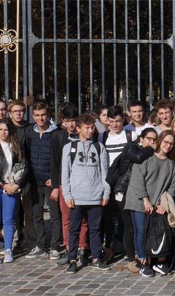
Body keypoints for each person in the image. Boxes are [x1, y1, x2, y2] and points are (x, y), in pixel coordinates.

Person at [61, 114, 112, 273]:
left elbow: (105, 173)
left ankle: (96, 257)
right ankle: (73, 258)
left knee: (95, 228)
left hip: (95, 195)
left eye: (92, 128)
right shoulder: (69, 148)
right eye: (86, 128)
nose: (90, 131)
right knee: (74, 229)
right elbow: (65, 174)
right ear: (78, 129)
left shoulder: (99, 147)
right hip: (77, 197)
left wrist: (106, 193)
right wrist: (67, 195)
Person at [125, 132, 175, 277]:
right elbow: (137, 179)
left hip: (157, 203)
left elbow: (173, 186)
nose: (168, 145)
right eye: (166, 142)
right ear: (160, 141)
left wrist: (164, 203)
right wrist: (145, 199)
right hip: (138, 200)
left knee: (155, 232)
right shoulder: (147, 158)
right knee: (141, 231)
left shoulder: (170, 164)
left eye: (171, 143)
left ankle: (158, 261)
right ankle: (143, 262)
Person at [106, 128, 157, 269]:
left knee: (139, 226)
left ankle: (143, 254)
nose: (152, 142)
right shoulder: (131, 146)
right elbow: (138, 157)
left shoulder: (149, 151)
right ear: (141, 138)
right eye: (149, 139)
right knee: (128, 226)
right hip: (123, 190)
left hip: (137, 192)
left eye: (154, 140)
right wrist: (151, 148)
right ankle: (130, 259)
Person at [0, 119, 29, 265]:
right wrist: (3, 185)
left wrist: (16, 185)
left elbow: (24, 166)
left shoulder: (16, 146)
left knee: (9, 219)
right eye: (1, 130)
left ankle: (8, 249)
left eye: (6, 130)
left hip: (12, 185)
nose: (4, 133)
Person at [23, 101, 63, 261]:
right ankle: (40, 245)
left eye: (43, 115)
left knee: (54, 215)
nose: (40, 118)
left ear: (48, 115)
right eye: (37, 115)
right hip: (34, 181)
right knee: (36, 214)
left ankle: (55, 246)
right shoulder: (29, 132)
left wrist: (55, 182)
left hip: (50, 181)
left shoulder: (56, 133)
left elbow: (59, 160)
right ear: (33, 116)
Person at [49, 105, 88, 265]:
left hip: (83, 183)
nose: (71, 124)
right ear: (62, 121)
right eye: (67, 121)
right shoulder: (57, 136)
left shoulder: (84, 135)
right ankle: (68, 247)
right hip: (64, 183)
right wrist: (56, 187)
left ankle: (82, 247)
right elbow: (54, 162)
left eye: (73, 120)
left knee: (83, 218)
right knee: (66, 218)